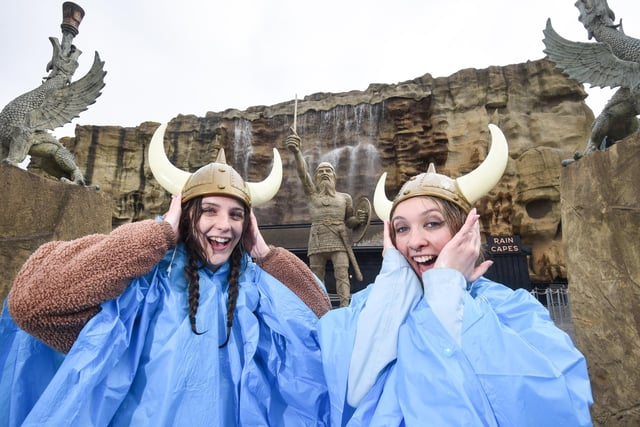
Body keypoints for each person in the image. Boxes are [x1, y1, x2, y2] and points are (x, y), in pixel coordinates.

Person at [0, 123, 331, 426]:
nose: (224, 225)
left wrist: (263, 252)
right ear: (185, 215)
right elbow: (32, 303)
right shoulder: (141, 282)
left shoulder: (257, 286)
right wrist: (158, 233)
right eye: (208, 211)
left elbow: (319, 325)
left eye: (236, 215)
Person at [317, 124, 593, 426]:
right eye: (402, 228)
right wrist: (394, 278)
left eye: (432, 223)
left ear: (465, 229)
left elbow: (553, 404)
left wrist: (446, 289)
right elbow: (351, 393)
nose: (414, 241)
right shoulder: (367, 304)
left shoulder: (514, 308)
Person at [286, 129, 368, 307]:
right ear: (315, 177)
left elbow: (350, 221)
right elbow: (303, 173)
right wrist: (297, 152)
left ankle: (345, 307)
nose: (324, 173)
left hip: (339, 239)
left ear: (334, 176)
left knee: (342, 274)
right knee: (316, 276)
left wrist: (360, 220)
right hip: (317, 239)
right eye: (321, 171)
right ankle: (318, 306)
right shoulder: (312, 196)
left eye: (328, 170)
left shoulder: (344, 198)